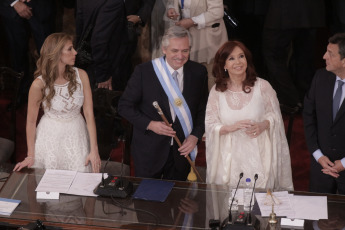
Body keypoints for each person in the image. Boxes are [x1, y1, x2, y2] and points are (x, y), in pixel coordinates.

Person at [118, 26, 208, 181]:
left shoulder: (198, 72)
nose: (180, 56)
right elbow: (124, 106)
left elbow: (203, 110)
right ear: (164, 49)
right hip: (149, 151)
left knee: (177, 201)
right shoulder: (144, 72)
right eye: (175, 51)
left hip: (181, 152)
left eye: (185, 51)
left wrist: (195, 136)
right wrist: (150, 124)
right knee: (146, 202)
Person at [205, 40, 293, 190]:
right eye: (231, 58)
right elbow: (210, 124)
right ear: (224, 65)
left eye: (241, 56)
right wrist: (231, 127)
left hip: (259, 157)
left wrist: (263, 125)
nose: (238, 62)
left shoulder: (263, 86)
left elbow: (276, 116)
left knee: (259, 206)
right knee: (231, 208)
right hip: (229, 161)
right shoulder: (217, 91)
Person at [13, 33, 101, 173]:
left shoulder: (82, 75)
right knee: (49, 186)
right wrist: (30, 155)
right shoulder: (38, 84)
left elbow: (89, 114)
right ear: (57, 54)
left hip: (76, 135)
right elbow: (30, 121)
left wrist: (94, 150)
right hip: (50, 137)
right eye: (70, 49)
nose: (75, 52)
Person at [262, 0, 325, 109]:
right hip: (312, 11)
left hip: (283, 10)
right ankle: (305, 99)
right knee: (305, 57)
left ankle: (290, 100)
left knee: (273, 54)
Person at [303, 33, 345, 194]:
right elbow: (308, 116)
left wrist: (343, 163)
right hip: (320, 168)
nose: (324, 56)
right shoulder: (320, 77)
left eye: (331, 53)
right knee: (317, 217)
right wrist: (318, 155)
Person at [0, 0, 55, 104]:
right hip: (9, 8)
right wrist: (14, 2)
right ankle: (21, 93)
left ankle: (53, 95)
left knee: (49, 53)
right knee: (17, 54)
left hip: (40, 6)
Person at [166, 0, 228, 91]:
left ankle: (214, 103)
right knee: (192, 79)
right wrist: (171, 8)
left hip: (208, 38)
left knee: (213, 76)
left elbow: (217, 12)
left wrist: (192, 21)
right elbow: (172, 2)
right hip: (187, 37)